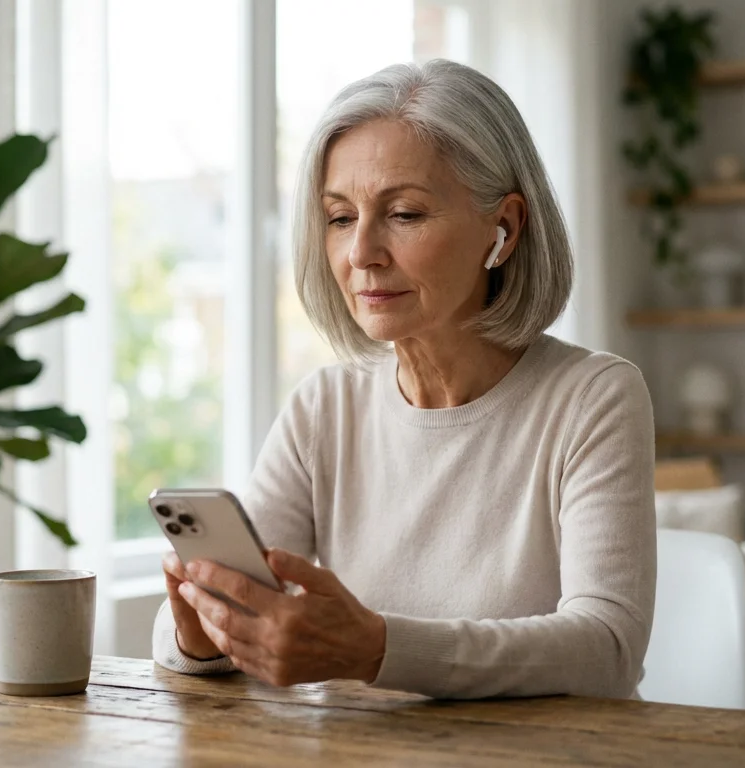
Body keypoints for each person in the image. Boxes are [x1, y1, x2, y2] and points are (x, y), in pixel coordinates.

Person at [151, 59, 656, 700]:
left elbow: (607, 647)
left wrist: (378, 649)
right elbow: (187, 642)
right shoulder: (323, 408)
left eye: (405, 214)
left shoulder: (593, 398)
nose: (361, 251)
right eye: (339, 218)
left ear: (505, 228)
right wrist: (204, 632)